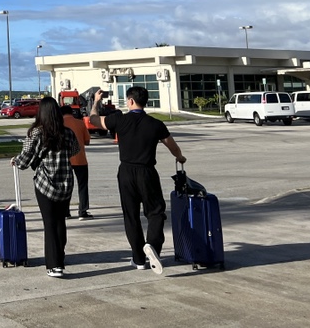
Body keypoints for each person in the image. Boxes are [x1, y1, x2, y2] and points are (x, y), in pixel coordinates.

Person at [89, 86, 187, 275]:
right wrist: (180, 157)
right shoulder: (155, 124)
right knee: (156, 212)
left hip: (125, 172)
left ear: (131, 101)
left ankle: (138, 258)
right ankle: (152, 246)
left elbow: (94, 120)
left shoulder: (119, 119)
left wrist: (96, 101)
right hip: (147, 171)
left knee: (131, 215)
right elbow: (172, 146)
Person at [12, 97, 80, 278]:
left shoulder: (36, 133)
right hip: (65, 183)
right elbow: (75, 151)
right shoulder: (67, 132)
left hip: (45, 184)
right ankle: (60, 257)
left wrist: (15, 161)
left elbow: (25, 159)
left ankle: (54, 265)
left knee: (49, 224)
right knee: (60, 222)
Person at [61, 105, 92, 220]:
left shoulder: (59, 124)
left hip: (65, 160)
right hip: (80, 159)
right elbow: (87, 141)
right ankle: (82, 211)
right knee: (82, 186)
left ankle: (65, 212)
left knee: (66, 186)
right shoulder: (80, 123)